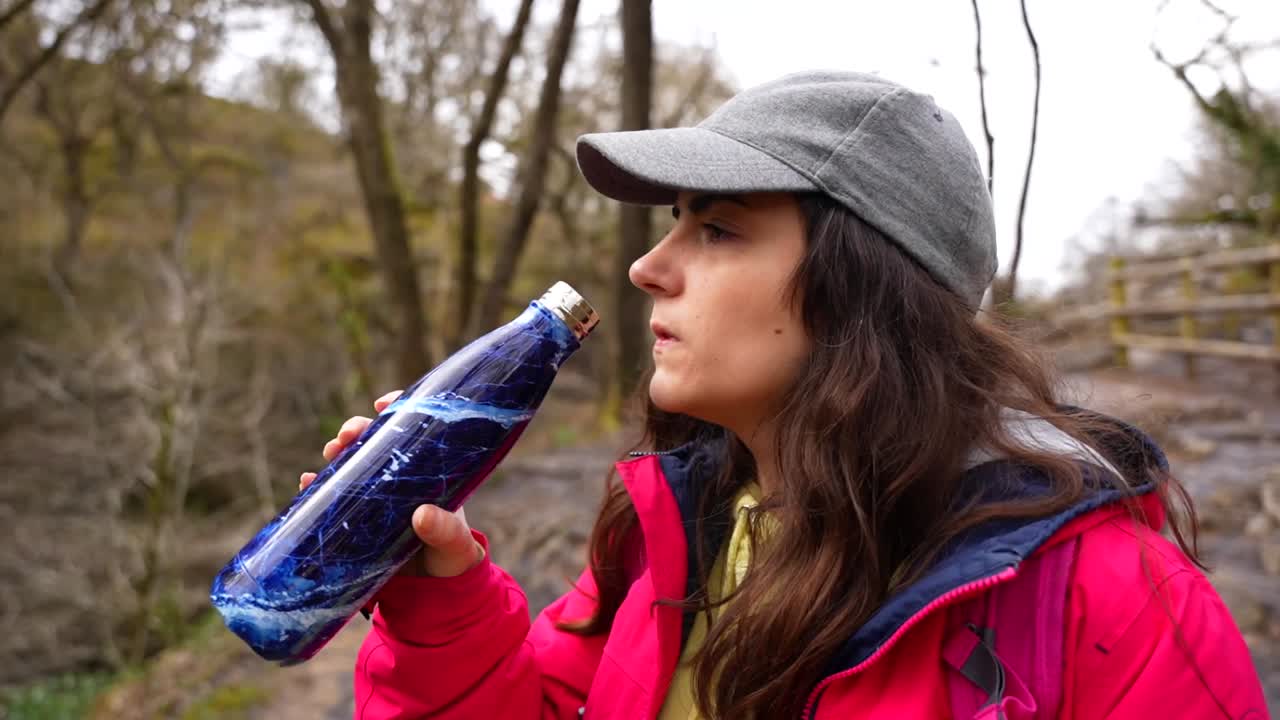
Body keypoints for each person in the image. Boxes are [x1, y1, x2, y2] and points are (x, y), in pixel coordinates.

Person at [300, 71, 1268, 719]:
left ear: (864, 286)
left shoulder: (1112, 600)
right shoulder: (668, 532)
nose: (646, 267)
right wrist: (443, 598)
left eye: (716, 230)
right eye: (672, 224)